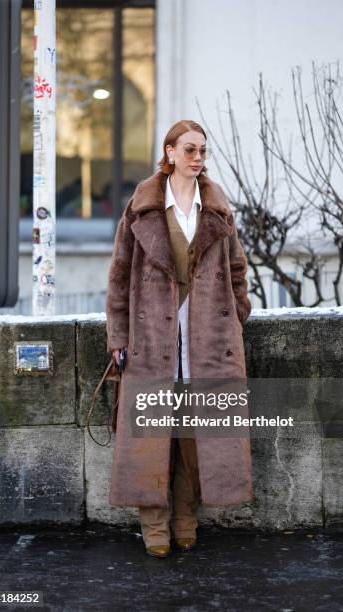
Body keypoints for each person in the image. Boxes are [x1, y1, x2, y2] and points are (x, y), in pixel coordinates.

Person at [106, 119, 253, 558]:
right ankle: (155, 527)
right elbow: (118, 278)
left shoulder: (218, 210)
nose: (197, 158)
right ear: (169, 152)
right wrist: (119, 334)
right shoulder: (142, 209)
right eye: (189, 149)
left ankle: (186, 517)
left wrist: (234, 321)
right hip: (153, 342)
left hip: (207, 344)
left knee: (193, 439)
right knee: (151, 438)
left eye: (203, 150)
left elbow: (238, 273)